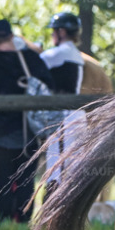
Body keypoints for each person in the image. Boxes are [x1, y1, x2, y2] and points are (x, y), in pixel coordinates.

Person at [0, 19, 54, 224]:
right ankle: (24, 221)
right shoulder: (32, 60)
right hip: (29, 130)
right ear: (11, 36)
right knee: (26, 181)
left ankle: (4, 222)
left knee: (3, 180)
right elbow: (49, 85)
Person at [39, 12, 86, 200]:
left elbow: (37, 61)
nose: (52, 35)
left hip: (63, 120)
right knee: (70, 171)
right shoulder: (73, 53)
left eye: (54, 31)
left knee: (56, 171)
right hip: (75, 116)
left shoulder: (60, 53)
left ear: (62, 32)